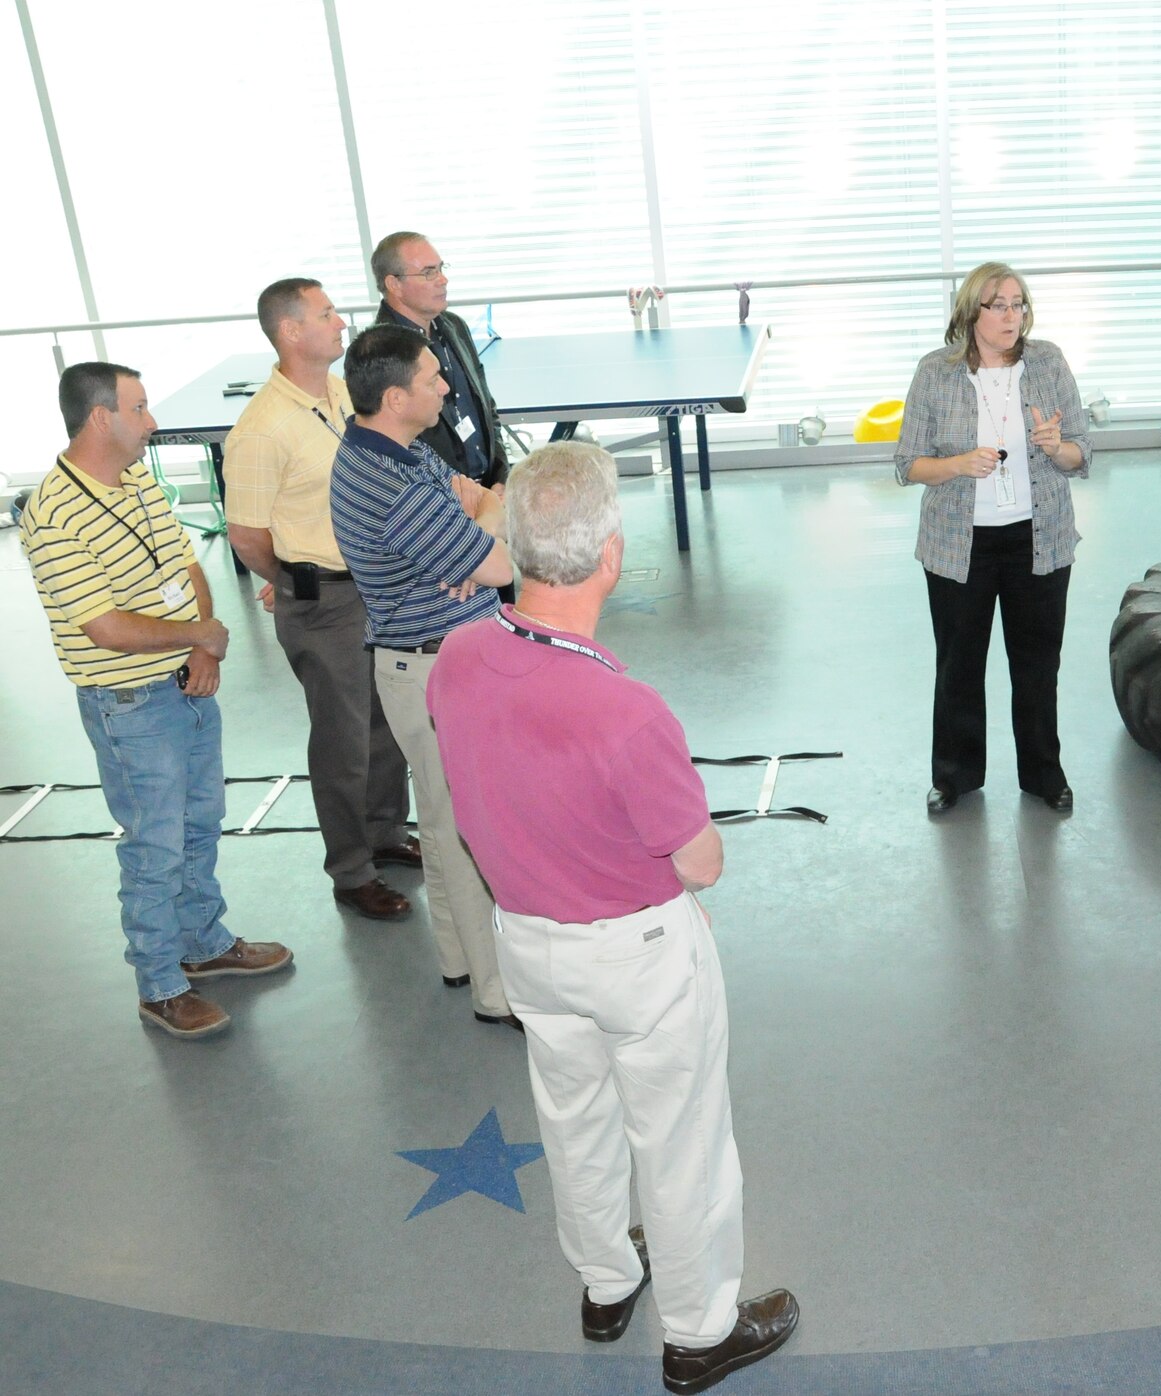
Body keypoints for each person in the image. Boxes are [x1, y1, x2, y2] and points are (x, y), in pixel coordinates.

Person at [427, 442, 798, 1393]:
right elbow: (700, 863)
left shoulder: (459, 659)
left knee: (573, 1118)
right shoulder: (626, 710)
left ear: (513, 547)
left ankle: (604, 1283)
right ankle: (701, 1330)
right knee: (679, 1143)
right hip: (636, 955)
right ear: (611, 556)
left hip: (530, 948)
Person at [22, 363, 293, 1038]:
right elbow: (105, 627)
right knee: (155, 845)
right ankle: (160, 984)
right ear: (99, 419)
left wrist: (201, 648)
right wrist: (197, 634)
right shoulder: (52, 513)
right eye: (139, 409)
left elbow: (185, 566)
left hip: (186, 680)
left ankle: (203, 943)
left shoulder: (139, 477)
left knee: (200, 823)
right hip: (131, 704)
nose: (152, 421)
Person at [329, 324, 518, 1029]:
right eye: (434, 379)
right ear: (396, 395)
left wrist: (472, 538)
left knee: (440, 823)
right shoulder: (394, 481)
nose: (447, 386)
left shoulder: (394, 454)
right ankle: (495, 993)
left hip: (428, 661)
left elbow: (473, 513)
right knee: (466, 829)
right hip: (436, 673)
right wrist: (483, 534)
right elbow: (499, 566)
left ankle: (456, 957)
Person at [224, 277, 418, 923]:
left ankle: (387, 832)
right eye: (327, 313)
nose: (341, 322)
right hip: (324, 600)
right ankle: (351, 871)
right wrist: (292, 580)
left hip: (377, 585)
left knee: (388, 718)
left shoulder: (339, 394)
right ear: (290, 332)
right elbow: (247, 535)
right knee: (343, 741)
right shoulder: (260, 430)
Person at [894, 260, 1092, 816]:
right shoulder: (935, 372)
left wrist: (1056, 447)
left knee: (1037, 664)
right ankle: (955, 777)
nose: (1013, 315)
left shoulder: (1049, 362)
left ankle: (1044, 775)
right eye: (999, 304)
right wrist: (957, 463)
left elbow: (1082, 454)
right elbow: (908, 464)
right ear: (970, 313)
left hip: (1040, 540)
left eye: (1019, 303)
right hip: (960, 547)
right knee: (959, 664)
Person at [371, 231, 508, 487]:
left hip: (490, 492)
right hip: (439, 505)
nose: (443, 280)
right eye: (428, 272)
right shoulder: (379, 353)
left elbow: (487, 409)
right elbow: (392, 447)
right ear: (394, 284)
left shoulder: (455, 326)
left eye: (441, 268)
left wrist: (500, 478)